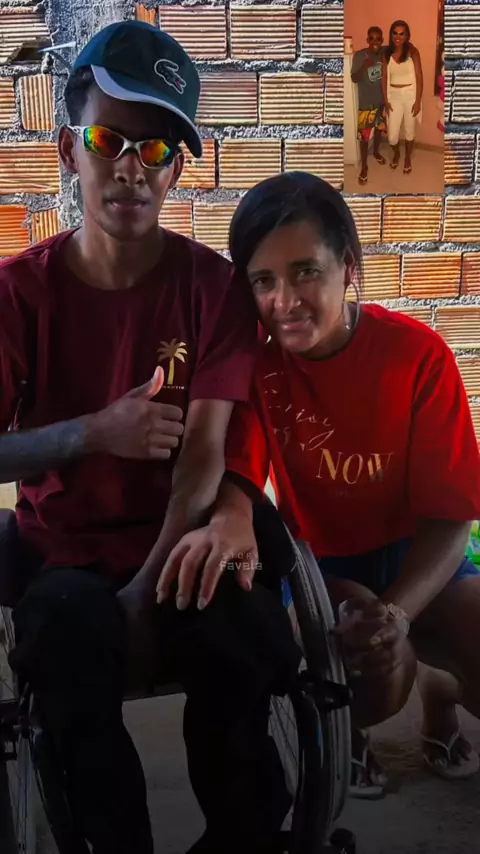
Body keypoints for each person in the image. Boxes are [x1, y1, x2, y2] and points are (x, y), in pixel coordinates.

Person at [0, 21, 301, 854]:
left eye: (158, 150)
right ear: (70, 150)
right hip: (66, 554)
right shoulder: (18, 295)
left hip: (183, 539)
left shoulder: (213, 287)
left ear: (176, 170)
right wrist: (92, 432)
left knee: (248, 636)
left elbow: (205, 452)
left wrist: (142, 594)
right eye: (109, 141)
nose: (131, 168)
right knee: (63, 639)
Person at [162, 171, 480, 797]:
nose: (285, 300)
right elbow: (240, 475)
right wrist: (229, 517)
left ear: (349, 268)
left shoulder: (417, 357)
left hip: (420, 556)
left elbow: (451, 519)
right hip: (325, 561)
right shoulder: (258, 368)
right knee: (371, 671)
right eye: (263, 280)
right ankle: (353, 731)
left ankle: (442, 693)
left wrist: (399, 612)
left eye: (306, 271)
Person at [382, 20, 423, 174]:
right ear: (391, 34)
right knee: (392, 136)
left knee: (409, 131)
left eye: (402, 33)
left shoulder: (413, 52)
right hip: (393, 96)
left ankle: (407, 158)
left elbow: (419, 77)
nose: (398, 37)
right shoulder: (386, 53)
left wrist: (418, 101)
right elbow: (384, 77)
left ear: (407, 36)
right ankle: (397, 153)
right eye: (395, 33)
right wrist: (385, 101)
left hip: (410, 96)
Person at [351, 26, 387, 186]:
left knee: (379, 130)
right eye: (371, 38)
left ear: (382, 40)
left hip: (380, 102)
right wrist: (364, 65)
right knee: (364, 138)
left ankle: (377, 152)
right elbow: (354, 78)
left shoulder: (384, 52)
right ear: (367, 40)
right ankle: (364, 166)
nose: (375, 41)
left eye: (378, 38)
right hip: (366, 104)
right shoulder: (360, 55)